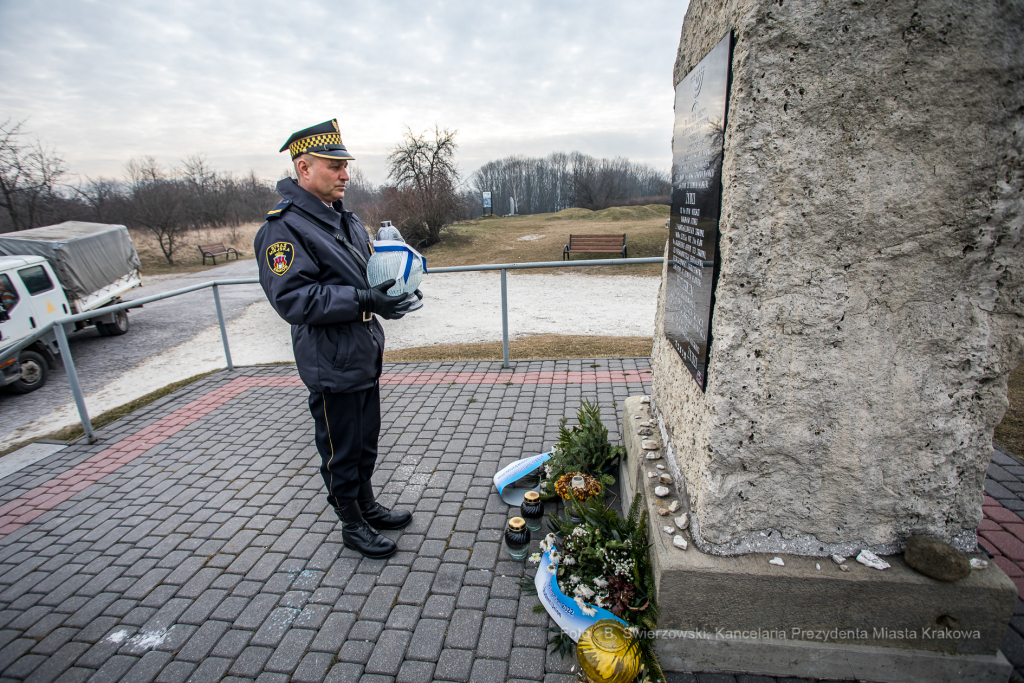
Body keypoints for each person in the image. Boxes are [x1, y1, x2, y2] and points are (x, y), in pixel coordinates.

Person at [254, 119, 414, 559]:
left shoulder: (341, 219)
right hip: (331, 360)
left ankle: (365, 505)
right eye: (335, 166)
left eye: (346, 166)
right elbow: (295, 299)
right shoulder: (283, 229)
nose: (346, 174)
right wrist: (364, 297)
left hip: (362, 350)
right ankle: (350, 524)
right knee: (340, 449)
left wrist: (394, 287)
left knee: (365, 441)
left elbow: (365, 274)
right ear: (303, 168)